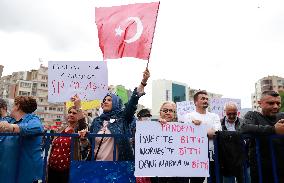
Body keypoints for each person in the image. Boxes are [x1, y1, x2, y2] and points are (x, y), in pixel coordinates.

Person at [83, 68, 150, 161]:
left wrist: (143, 82)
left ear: (116, 103)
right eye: (104, 100)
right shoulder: (96, 121)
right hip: (97, 167)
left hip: (117, 169)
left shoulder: (123, 119)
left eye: (109, 100)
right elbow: (91, 143)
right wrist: (85, 136)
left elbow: (131, 105)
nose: (105, 102)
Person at [240, 90, 284, 183]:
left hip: (281, 168)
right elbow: (244, 128)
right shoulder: (252, 115)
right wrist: (273, 129)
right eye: (271, 103)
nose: (276, 106)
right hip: (261, 170)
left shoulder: (282, 116)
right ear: (260, 103)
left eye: (278, 103)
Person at [0, 96, 44, 183]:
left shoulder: (32, 119)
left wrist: (12, 127)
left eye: (13, 105)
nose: (11, 108)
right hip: (8, 174)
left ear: (18, 106)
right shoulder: (11, 120)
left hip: (27, 174)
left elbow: (37, 128)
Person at [183, 90, 222, 183]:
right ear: (195, 102)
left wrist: (199, 128)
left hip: (213, 154)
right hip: (196, 155)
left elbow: (216, 133)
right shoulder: (189, 116)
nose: (205, 101)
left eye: (207, 99)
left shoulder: (214, 116)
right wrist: (206, 131)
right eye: (202, 99)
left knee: (214, 179)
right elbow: (190, 134)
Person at [47, 95, 86, 183]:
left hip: (67, 172)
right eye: (70, 112)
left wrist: (78, 106)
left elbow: (82, 123)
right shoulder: (62, 129)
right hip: (52, 170)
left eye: (74, 113)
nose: (71, 114)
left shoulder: (79, 130)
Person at [151, 101, 189, 183]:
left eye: (171, 111)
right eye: (165, 110)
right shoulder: (151, 128)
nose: (168, 113)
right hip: (160, 173)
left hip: (180, 173)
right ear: (160, 112)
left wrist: (196, 126)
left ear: (175, 114)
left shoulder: (185, 128)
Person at [218, 102, 246, 183]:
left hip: (241, 155)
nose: (232, 116)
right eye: (229, 113)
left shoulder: (243, 122)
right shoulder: (219, 123)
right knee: (227, 179)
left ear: (237, 112)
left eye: (234, 113)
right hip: (226, 156)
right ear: (224, 112)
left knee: (244, 178)